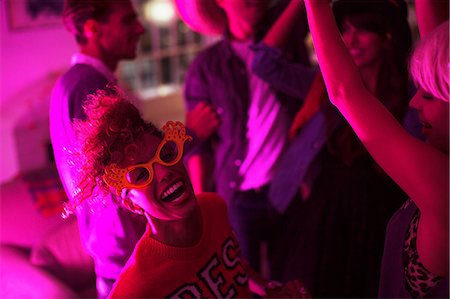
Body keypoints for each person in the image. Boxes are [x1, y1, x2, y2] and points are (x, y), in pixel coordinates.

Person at [70, 86, 310, 298]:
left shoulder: (213, 207)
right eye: (142, 175)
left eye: (165, 154)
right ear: (131, 202)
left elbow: (233, 267)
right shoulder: (137, 289)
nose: (165, 172)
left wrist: (269, 289)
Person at [250, 0, 420, 296]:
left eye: (364, 30)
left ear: (386, 36)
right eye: (344, 30)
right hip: (323, 205)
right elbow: (264, 62)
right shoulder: (322, 84)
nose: (351, 39)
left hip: (381, 207)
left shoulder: (409, 92)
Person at [50, 1, 219, 297]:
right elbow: (125, 165)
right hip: (125, 251)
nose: (140, 28)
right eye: (128, 21)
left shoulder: (72, 83)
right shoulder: (88, 87)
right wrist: (190, 134)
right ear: (93, 29)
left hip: (114, 249)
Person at [303, 0, 448, 297]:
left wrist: (315, 6)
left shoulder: (443, 184)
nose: (414, 102)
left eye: (429, 96)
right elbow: (440, 47)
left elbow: (345, 93)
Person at [175, 0, 310, 278]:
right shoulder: (206, 67)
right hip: (237, 196)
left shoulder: (286, 44)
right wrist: (202, 209)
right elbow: (200, 146)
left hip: (288, 187)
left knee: (292, 277)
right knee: (241, 279)